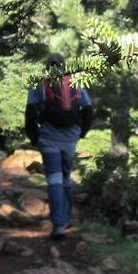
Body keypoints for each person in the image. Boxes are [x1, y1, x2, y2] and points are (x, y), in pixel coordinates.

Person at [24, 52, 93, 239]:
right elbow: (88, 110)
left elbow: (30, 113)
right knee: (66, 177)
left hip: (48, 139)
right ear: (64, 64)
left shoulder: (39, 83)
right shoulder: (75, 81)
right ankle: (67, 216)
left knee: (54, 179)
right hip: (71, 139)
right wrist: (81, 133)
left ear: (47, 65)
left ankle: (59, 225)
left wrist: (34, 138)